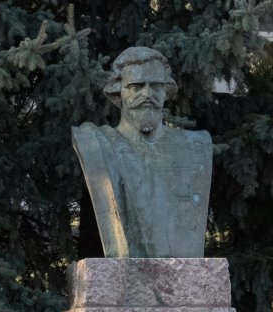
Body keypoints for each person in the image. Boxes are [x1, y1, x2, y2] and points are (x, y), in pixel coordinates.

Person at [71, 46, 213, 258]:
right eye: (136, 86)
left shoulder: (196, 145)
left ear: (166, 91)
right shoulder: (94, 142)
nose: (147, 94)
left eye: (155, 86)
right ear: (118, 92)